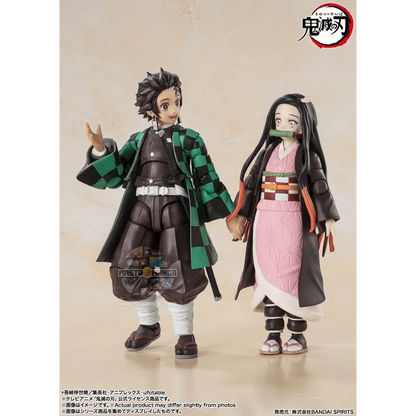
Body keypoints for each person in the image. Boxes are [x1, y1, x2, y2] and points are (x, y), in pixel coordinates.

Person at [77, 68, 235, 358]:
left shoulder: (190, 139)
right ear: (150, 109)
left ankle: (184, 334)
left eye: (177, 101)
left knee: (179, 270)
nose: (174, 110)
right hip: (142, 209)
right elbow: (117, 174)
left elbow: (207, 178)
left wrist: (231, 215)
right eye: (165, 105)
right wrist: (100, 150)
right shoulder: (138, 140)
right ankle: (148, 325)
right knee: (130, 266)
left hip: (175, 211)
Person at [226, 93, 340, 355]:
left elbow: (320, 187)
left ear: (304, 124)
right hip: (265, 219)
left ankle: (297, 335)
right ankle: (273, 334)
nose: (283, 125)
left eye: (291, 120)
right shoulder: (268, 152)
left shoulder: (307, 155)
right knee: (267, 276)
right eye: (278, 119)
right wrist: (239, 215)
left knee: (292, 276)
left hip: (294, 220)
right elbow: (251, 184)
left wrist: (328, 218)